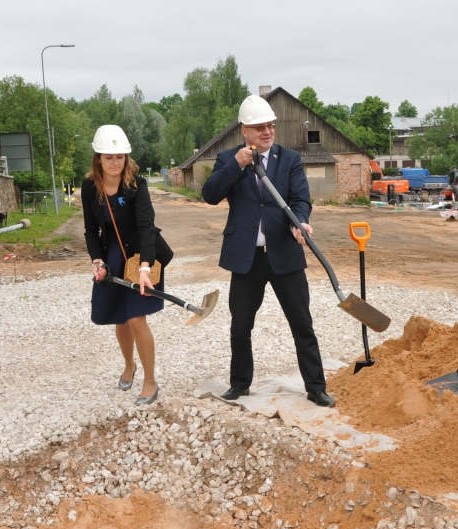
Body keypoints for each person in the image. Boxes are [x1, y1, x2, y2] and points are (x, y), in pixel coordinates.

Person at [201, 95, 334, 407]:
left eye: (270, 126)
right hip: (246, 259)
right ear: (244, 131)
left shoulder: (289, 160)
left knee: (302, 324)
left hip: (285, 254)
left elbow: (301, 199)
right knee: (240, 325)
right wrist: (237, 165)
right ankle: (240, 384)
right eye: (259, 127)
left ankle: (315, 387)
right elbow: (210, 194)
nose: (267, 131)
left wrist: (300, 222)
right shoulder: (227, 159)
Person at [82, 125, 173, 405]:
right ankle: (128, 365)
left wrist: (145, 267)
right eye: (108, 157)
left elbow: (147, 228)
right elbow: (90, 230)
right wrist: (97, 260)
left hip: (140, 255)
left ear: (126, 157)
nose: (115, 162)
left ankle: (150, 380)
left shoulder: (137, 184)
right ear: (98, 158)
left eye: (120, 156)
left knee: (136, 318)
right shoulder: (89, 186)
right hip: (111, 257)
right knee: (120, 318)